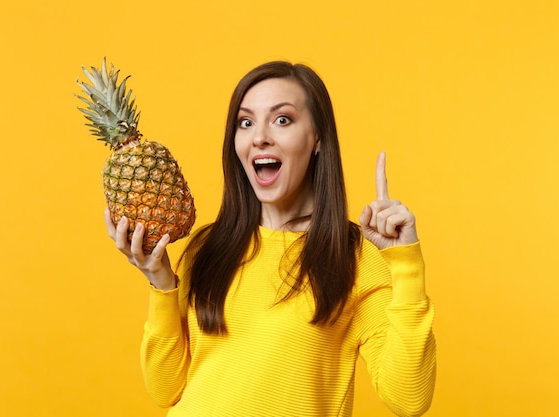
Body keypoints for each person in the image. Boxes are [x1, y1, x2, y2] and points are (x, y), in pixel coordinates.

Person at [105, 61, 436, 417]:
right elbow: (166, 389)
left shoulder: (353, 258)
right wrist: (161, 283)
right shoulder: (208, 248)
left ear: (318, 138)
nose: (259, 136)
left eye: (282, 120)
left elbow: (408, 398)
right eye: (245, 122)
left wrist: (405, 263)